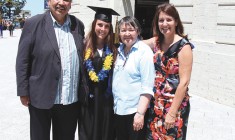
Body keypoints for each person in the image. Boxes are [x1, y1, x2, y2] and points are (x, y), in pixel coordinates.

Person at [15, 0, 89, 140]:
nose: (61, 3)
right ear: (49, 1)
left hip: (69, 99)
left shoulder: (77, 25)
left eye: (66, 0)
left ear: (71, 3)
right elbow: (22, 60)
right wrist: (23, 91)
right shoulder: (33, 24)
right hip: (41, 97)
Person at [143, 3, 194, 140]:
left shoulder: (184, 47)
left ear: (176, 22)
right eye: (161, 20)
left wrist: (172, 112)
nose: (164, 24)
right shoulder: (156, 41)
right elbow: (137, 44)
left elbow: (184, 82)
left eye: (169, 19)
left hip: (174, 107)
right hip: (156, 105)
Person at [112, 16, 155, 140]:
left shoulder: (144, 52)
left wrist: (140, 114)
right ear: (119, 33)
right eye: (123, 30)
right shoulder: (118, 51)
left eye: (130, 30)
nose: (127, 34)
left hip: (134, 112)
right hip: (119, 110)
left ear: (138, 31)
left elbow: (147, 86)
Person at [79, 6, 119, 140]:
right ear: (94, 24)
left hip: (106, 101)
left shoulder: (114, 49)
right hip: (88, 100)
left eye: (106, 26)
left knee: (105, 133)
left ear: (110, 29)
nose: (103, 29)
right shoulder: (84, 46)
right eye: (100, 25)